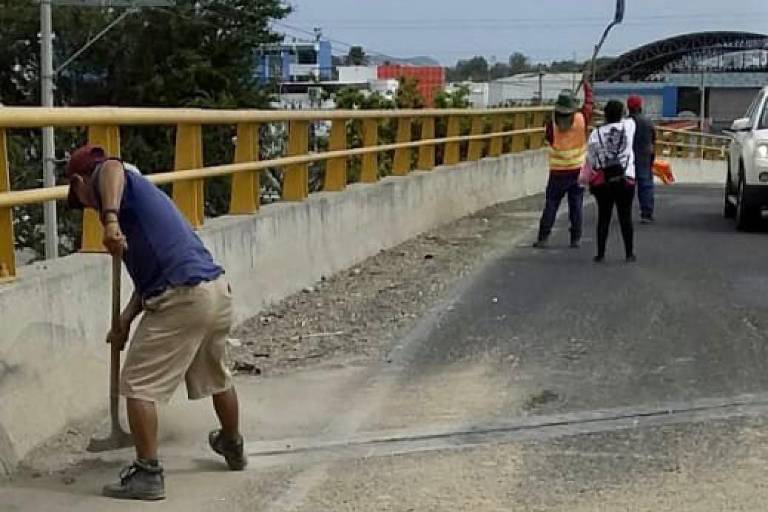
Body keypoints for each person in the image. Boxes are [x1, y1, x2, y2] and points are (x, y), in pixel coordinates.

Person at [66, 145, 247, 501]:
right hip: (214, 290)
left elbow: (110, 167)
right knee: (216, 375)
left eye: (81, 201)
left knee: (136, 384)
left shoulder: (113, 179)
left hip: (183, 297)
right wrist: (126, 320)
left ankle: (147, 474)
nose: (88, 209)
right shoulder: (142, 201)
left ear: (79, 180)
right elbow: (152, 278)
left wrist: (111, 219)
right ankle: (232, 442)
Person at [533, 78, 593, 249]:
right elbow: (589, 104)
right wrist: (587, 85)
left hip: (557, 171)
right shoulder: (582, 119)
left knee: (551, 204)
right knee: (576, 205)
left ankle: (543, 237)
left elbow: (549, 138)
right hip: (578, 170)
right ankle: (575, 238)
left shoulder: (551, 124)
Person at [587, 100, 637, 263]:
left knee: (603, 217)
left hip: (604, 181)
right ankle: (629, 253)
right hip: (625, 178)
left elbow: (591, 159)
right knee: (625, 216)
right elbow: (630, 117)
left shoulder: (596, 133)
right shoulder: (628, 127)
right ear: (622, 114)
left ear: (605, 115)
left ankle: (600, 253)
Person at [627, 95, 656, 223]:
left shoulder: (625, 123)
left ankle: (625, 212)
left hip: (628, 158)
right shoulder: (648, 122)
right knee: (645, 185)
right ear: (640, 107)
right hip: (644, 156)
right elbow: (653, 139)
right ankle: (646, 213)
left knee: (627, 186)